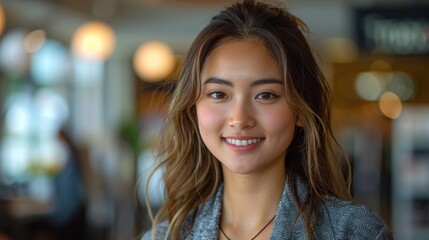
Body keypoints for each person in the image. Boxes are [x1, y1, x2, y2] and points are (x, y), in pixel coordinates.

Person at [142, 0, 392, 239]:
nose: (239, 119)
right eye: (218, 94)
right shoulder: (165, 236)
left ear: (302, 111)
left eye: (265, 95)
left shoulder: (353, 233)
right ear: (193, 108)